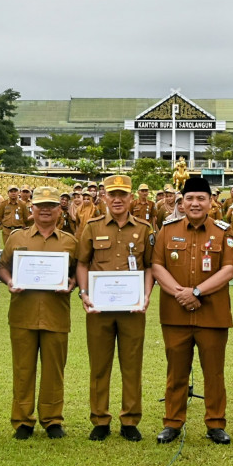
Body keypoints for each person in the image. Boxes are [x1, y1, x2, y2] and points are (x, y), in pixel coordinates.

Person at [150, 176, 233, 445]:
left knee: (214, 372)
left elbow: (229, 269)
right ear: (182, 202)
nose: (195, 203)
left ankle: (215, 424)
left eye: (201, 198)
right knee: (176, 371)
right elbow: (157, 266)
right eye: (190, 198)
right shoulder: (167, 229)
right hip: (176, 313)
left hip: (212, 314)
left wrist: (196, 292)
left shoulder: (223, 231)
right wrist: (181, 293)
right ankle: (173, 422)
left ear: (211, 202)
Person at [76, 175, 154, 441]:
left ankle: (130, 420)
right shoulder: (92, 227)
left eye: (123, 195)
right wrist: (84, 293)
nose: (118, 200)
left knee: (132, 365)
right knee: (99, 365)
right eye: (113, 195)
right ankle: (100, 419)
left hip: (132, 310)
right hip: (99, 309)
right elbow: (83, 263)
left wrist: (146, 296)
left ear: (131, 197)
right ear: (104, 197)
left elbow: (150, 267)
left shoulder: (144, 229)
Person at [0, 186, 78, 439]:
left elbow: (77, 273)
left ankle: (52, 420)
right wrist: (10, 281)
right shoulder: (17, 238)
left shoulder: (70, 242)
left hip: (56, 313)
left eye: (51, 206)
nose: (45, 210)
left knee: (54, 369)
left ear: (59, 211)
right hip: (23, 313)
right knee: (23, 369)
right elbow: (2, 267)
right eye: (40, 205)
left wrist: (72, 284)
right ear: (31, 209)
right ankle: (23, 421)